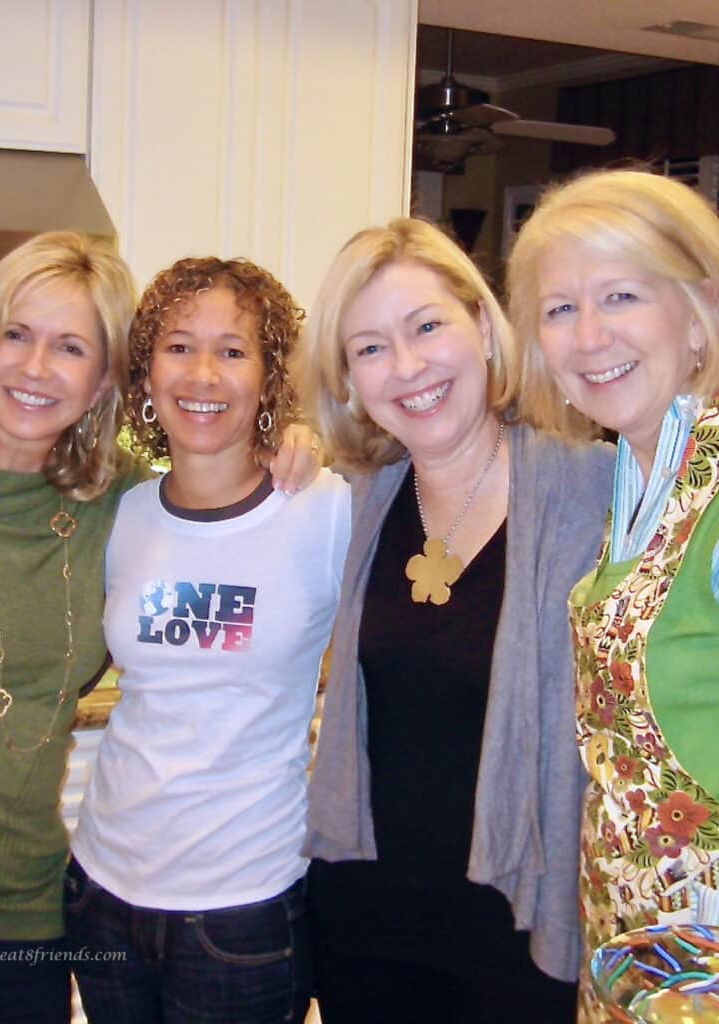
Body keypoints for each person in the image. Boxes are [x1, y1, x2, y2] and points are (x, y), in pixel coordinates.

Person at [0, 234, 321, 1024]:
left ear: (105, 380)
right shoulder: (120, 506)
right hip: (100, 889)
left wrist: (301, 437)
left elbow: (224, 474)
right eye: (16, 333)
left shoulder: (105, 500)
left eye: (72, 346)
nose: (36, 367)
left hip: (23, 914)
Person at [295, 217, 615, 1024]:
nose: (406, 367)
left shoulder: (597, 495)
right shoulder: (354, 502)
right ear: (347, 379)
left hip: (521, 930)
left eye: (426, 326)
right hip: (366, 926)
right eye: (368, 348)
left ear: (481, 325)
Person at [65, 256, 351, 1024]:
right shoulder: (121, 511)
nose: (203, 374)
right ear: (145, 371)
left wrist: (319, 438)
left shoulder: (324, 509)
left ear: (267, 375)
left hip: (243, 908)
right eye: (179, 346)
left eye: (233, 351)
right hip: (100, 889)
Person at [508, 167, 719, 1023]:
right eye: (560, 309)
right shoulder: (642, 474)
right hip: (632, 953)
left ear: (700, 313)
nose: (590, 336)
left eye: (621, 295)